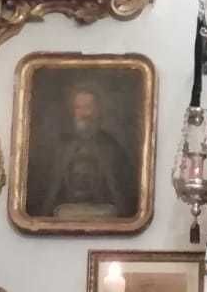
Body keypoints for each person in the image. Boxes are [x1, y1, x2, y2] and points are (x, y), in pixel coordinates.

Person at [29, 83, 137, 220]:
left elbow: (121, 193)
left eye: (88, 108)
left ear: (98, 110)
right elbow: (48, 192)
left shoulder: (111, 146)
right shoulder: (60, 146)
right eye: (78, 108)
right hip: (63, 214)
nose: (83, 114)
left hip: (104, 213)